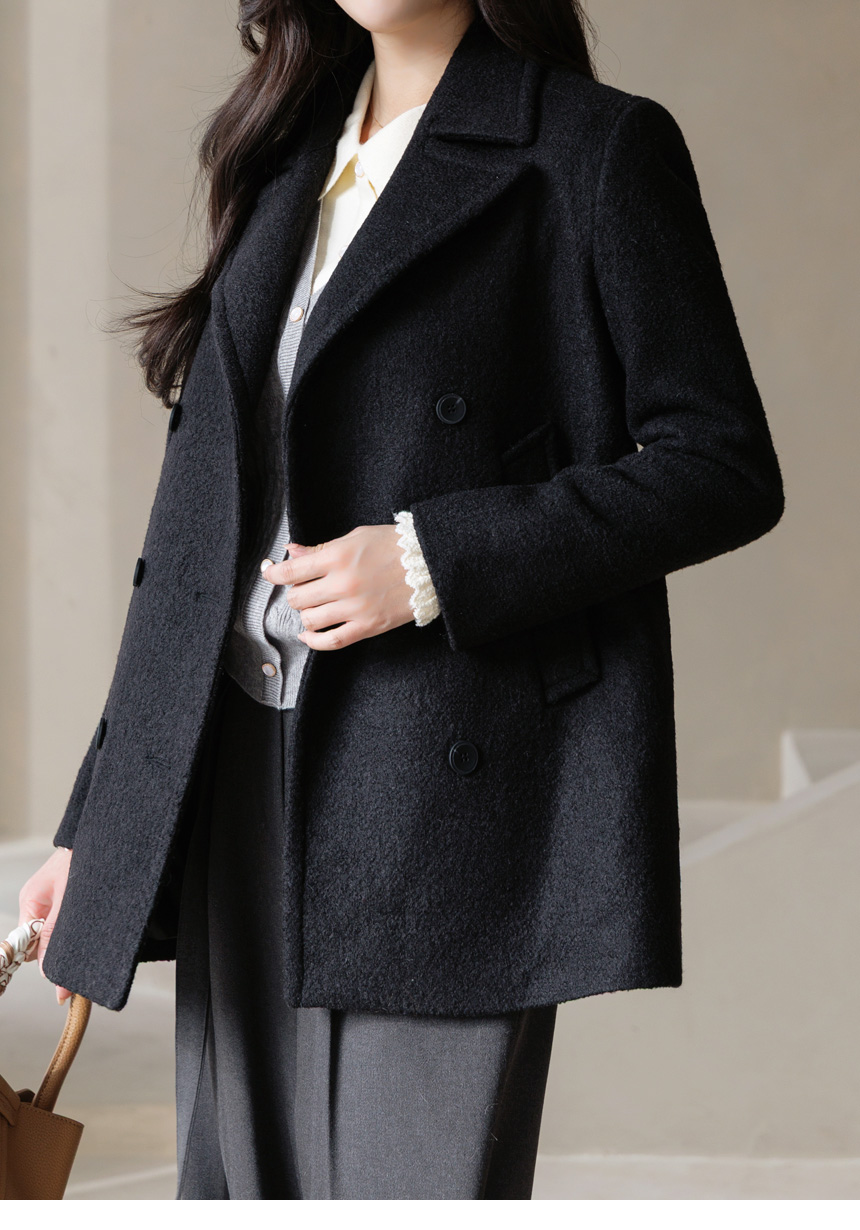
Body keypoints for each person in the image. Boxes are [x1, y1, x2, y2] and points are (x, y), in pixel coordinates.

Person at [17, 0, 784, 1200]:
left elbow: (719, 465)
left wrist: (430, 560)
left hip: (444, 789)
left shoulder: (591, 149)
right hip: (235, 777)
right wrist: (99, 825)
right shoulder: (284, 152)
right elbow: (192, 543)